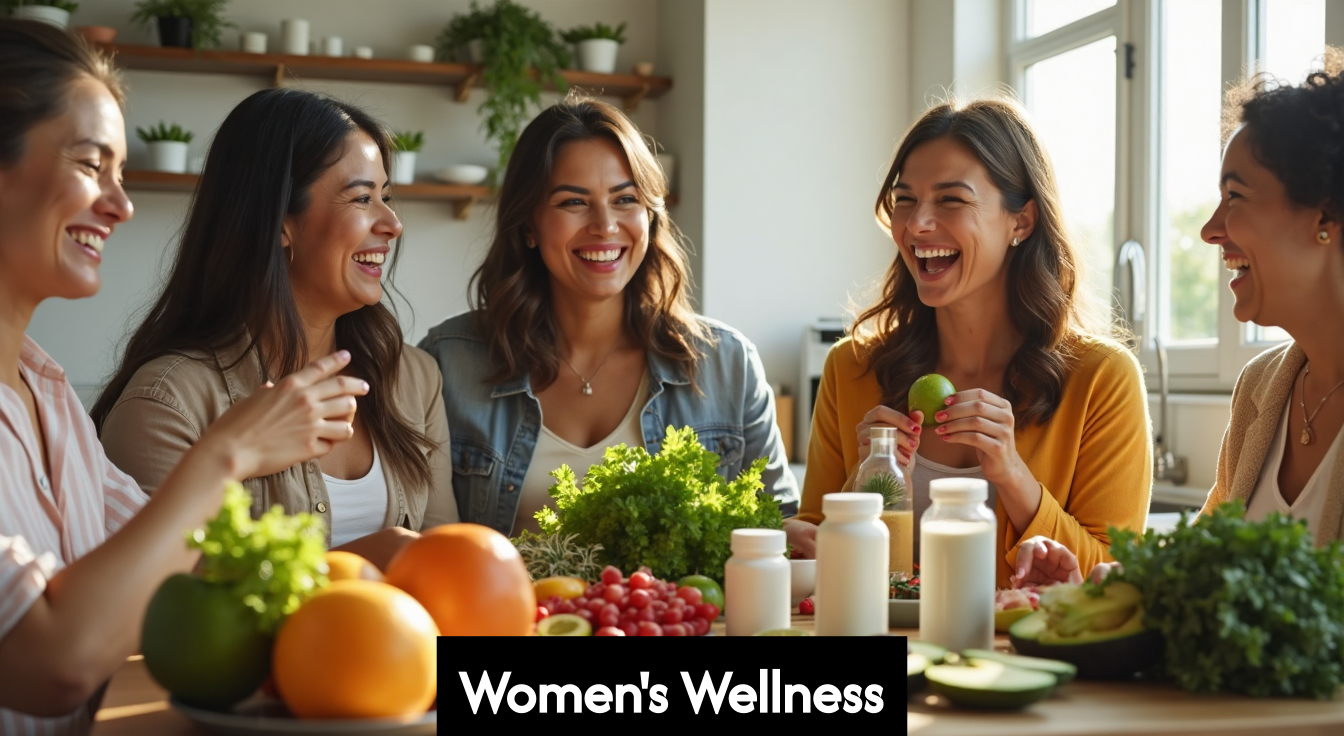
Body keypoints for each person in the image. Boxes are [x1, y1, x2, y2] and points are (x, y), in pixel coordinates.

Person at [0, 21, 364, 736]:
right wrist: (228, 451)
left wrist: (375, 566)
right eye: (90, 164)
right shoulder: (158, 393)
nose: (121, 205)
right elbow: (54, 661)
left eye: (123, 172)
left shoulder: (48, 395)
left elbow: (182, 572)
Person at [791, 97, 1152, 588]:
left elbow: (1114, 578)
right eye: (905, 199)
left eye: (950, 200)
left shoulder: (1103, 379)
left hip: (1016, 660)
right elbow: (810, 549)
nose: (917, 224)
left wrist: (1012, 474)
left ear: (1021, 221)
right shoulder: (850, 369)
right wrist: (864, 484)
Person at [91, 88, 457, 570]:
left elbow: (452, 569)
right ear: (280, 221)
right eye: (363, 198)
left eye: (386, 198)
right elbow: (157, 610)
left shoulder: (415, 378)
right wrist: (346, 568)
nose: (392, 223)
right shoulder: (168, 402)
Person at [1023, 56, 1344, 588]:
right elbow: (1197, 576)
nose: (1210, 230)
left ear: (1325, 215)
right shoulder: (1262, 389)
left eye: (1234, 197)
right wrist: (1102, 585)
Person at [419, 95, 798, 537]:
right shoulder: (447, 365)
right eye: (573, 203)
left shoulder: (728, 364)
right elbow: (424, 542)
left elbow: (779, 531)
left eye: (625, 199)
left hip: (670, 609)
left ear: (650, 217)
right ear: (527, 227)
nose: (605, 225)